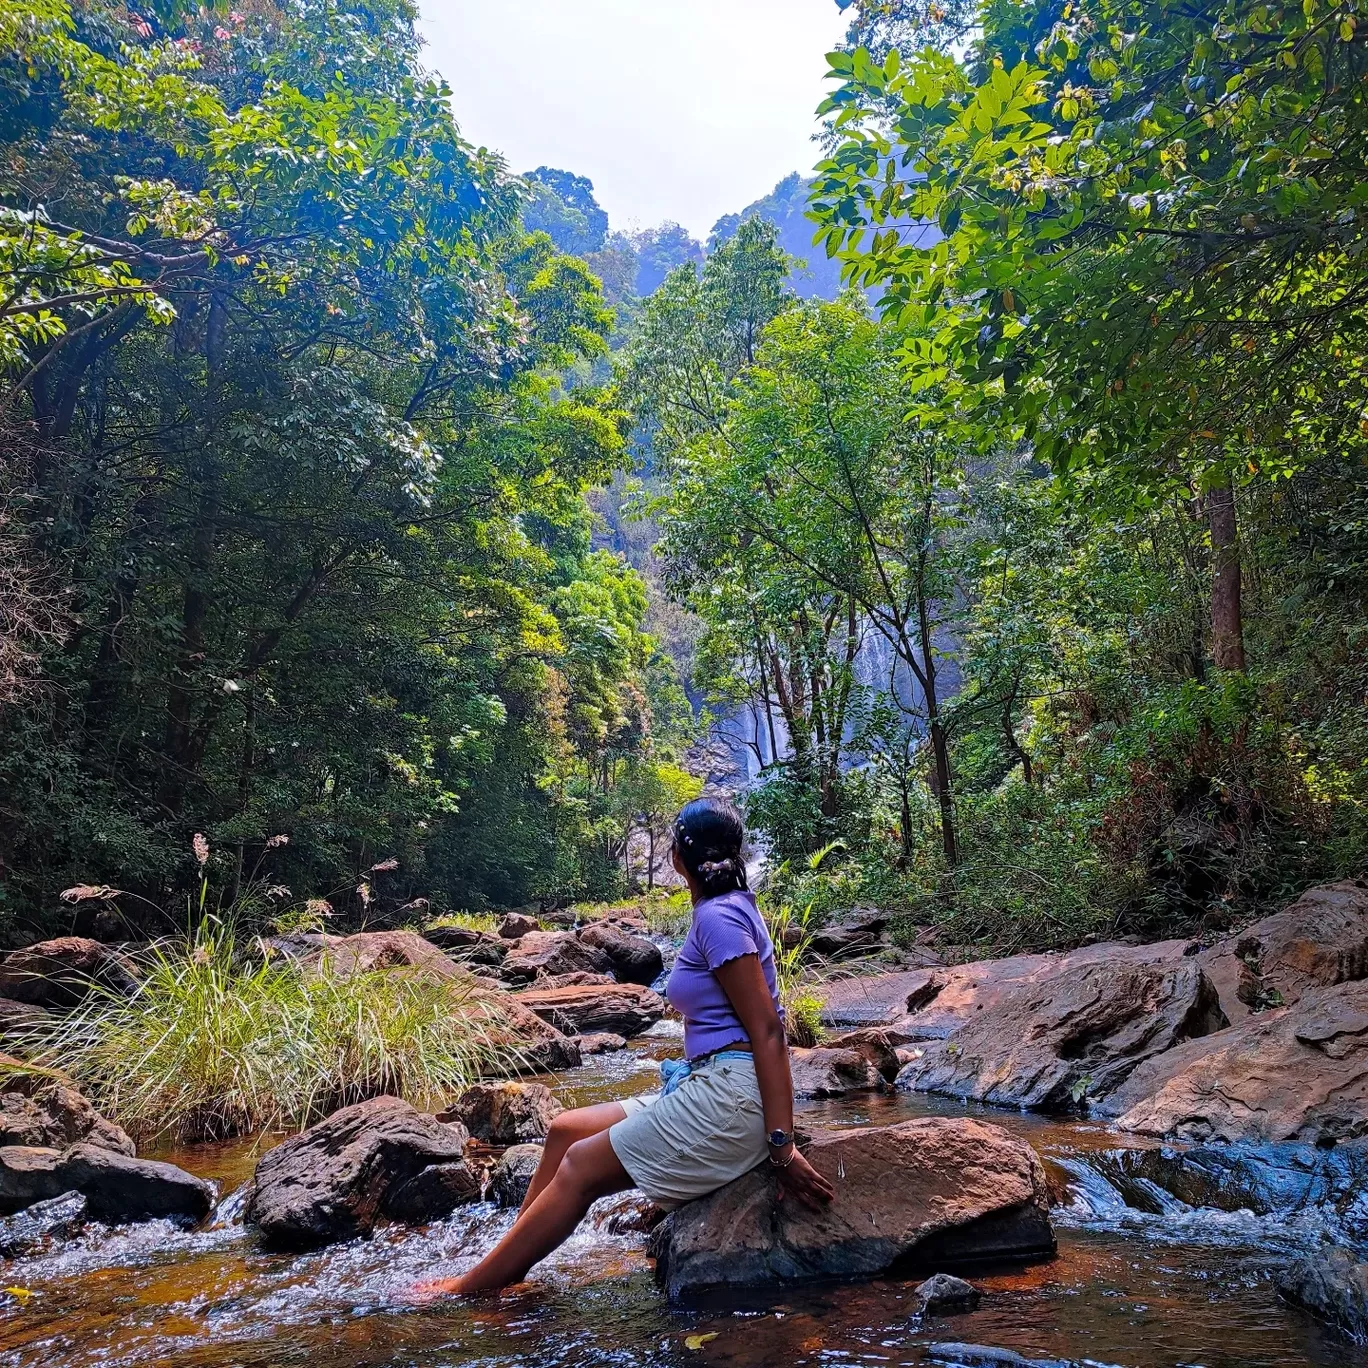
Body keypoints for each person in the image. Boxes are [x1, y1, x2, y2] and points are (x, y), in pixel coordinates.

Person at [420, 796, 834, 1297]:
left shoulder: (718, 919)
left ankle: (470, 1289)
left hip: (734, 1097)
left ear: (679, 857)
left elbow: (768, 1031)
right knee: (564, 1130)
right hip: (712, 1080)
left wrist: (781, 1148)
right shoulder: (725, 908)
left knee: (580, 1167)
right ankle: (510, 1259)